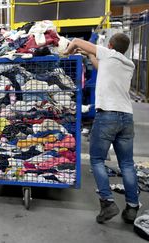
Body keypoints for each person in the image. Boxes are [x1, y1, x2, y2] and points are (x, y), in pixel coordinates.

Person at [64, 33, 139, 224]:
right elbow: (102, 68)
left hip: (107, 116)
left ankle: (107, 203)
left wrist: (66, 52)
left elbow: (77, 42)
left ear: (111, 45)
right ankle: (132, 207)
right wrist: (90, 55)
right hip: (127, 118)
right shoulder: (128, 64)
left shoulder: (108, 54)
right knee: (127, 164)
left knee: (97, 160)